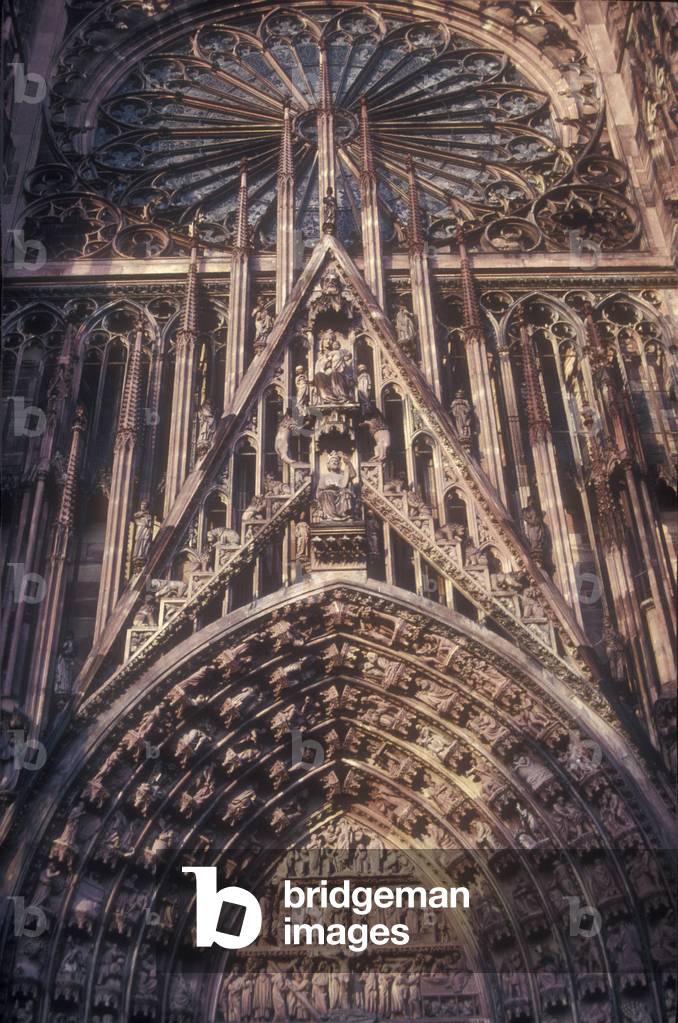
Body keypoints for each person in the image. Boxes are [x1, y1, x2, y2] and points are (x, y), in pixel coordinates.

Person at [316, 452, 356, 520]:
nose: (334, 463)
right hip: (328, 496)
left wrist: (348, 462)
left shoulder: (343, 475)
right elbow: (319, 491)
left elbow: (353, 475)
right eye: (332, 461)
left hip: (341, 494)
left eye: (336, 461)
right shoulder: (324, 477)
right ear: (328, 464)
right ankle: (332, 515)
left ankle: (344, 514)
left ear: (339, 464)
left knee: (345, 492)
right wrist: (328, 488)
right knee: (326, 493)